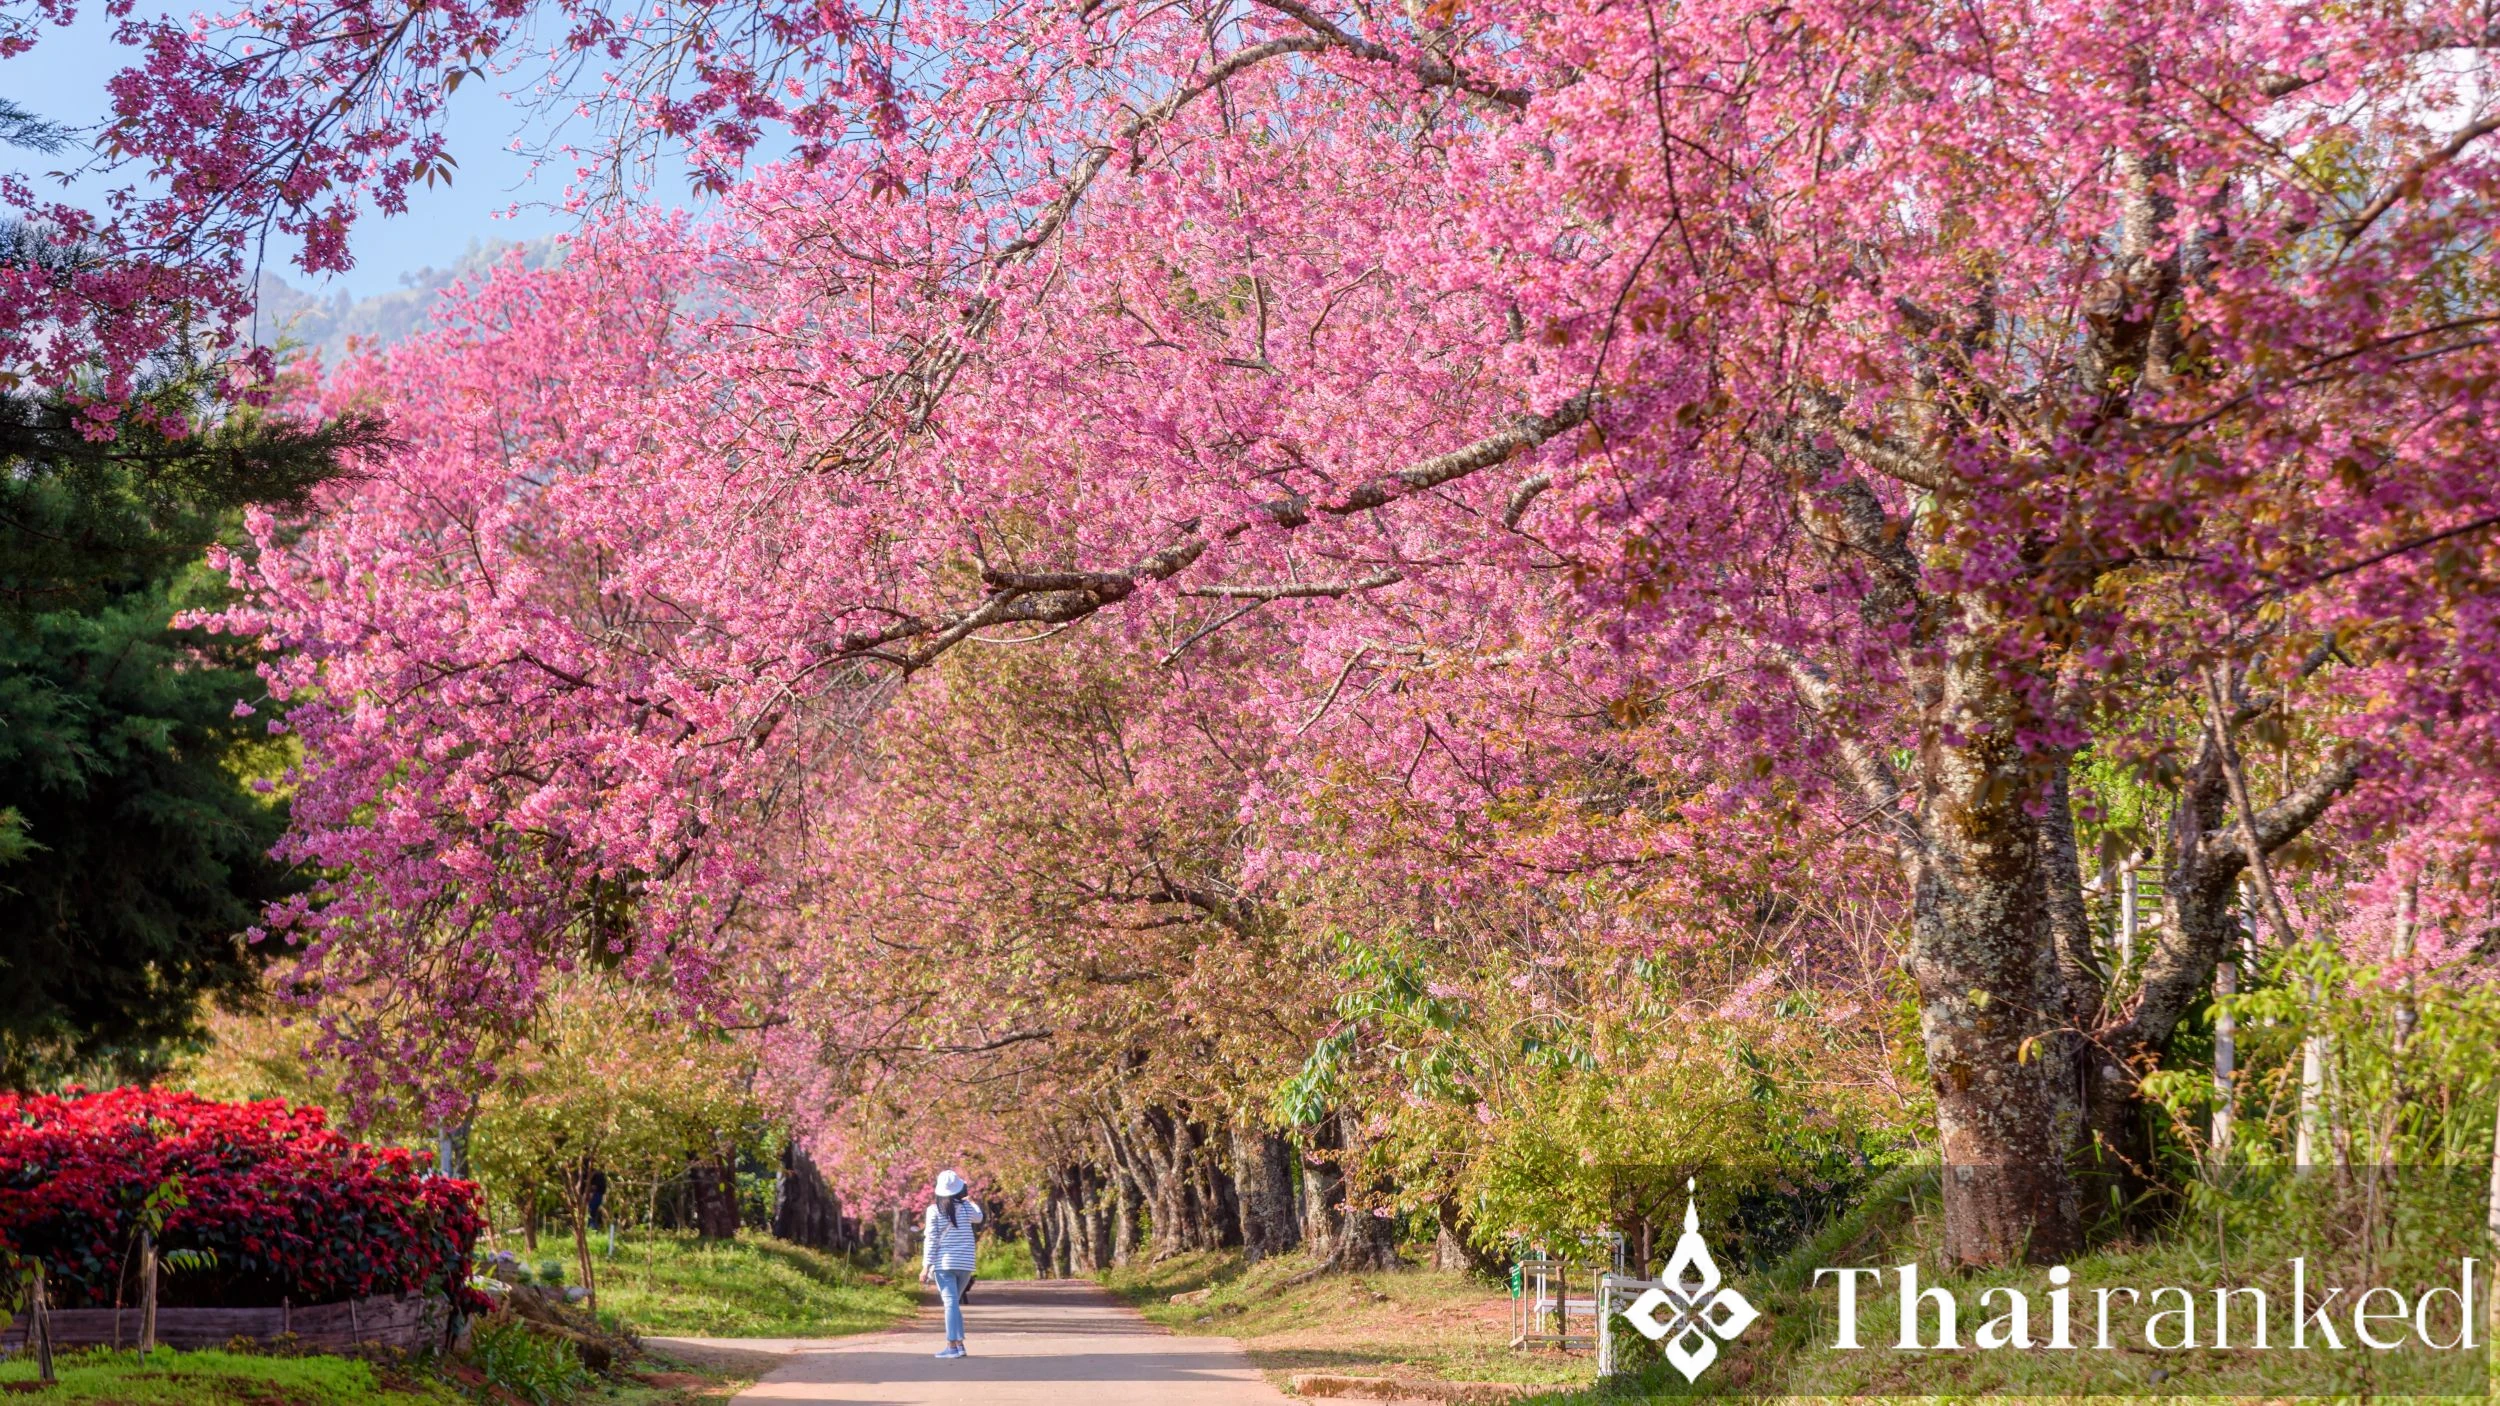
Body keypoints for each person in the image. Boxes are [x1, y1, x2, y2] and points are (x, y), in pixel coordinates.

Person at [919, 1169, 984, 1359]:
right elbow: (979, 1218)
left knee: (950, 1304)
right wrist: (971, 1201)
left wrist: (926, 1266)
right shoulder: (965, 1208)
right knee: (953, 1303)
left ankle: (951, 1345)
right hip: (965, 1264)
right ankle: (960, 1345)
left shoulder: (934, 1210)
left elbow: (931, 1239)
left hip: (944, 1263)